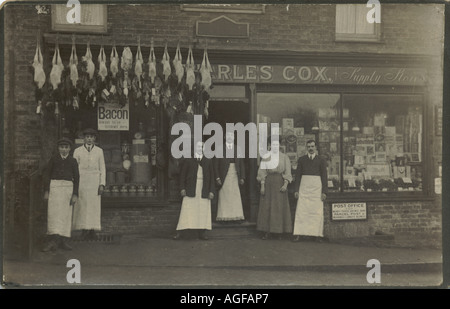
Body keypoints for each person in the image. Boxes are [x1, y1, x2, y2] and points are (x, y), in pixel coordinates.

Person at [42, 137, 79, 252]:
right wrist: (47, 191)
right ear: (58, 148)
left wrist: (75, 194)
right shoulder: (53, 159)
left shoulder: (73, 161)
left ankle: (63, 241)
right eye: (62, 147)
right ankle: (52, 240)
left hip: (67, 189)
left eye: (66, 147)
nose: (64, 149)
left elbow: (77, 178)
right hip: (55, 188)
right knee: (53, 214)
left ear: (69, 149)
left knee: (65, 214)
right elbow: (47, 175)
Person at [173, 141, 216, 240]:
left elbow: (212, 177)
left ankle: (202, 233)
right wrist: (182, 188)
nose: (200, 149)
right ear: (195, 148)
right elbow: (182, 176)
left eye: (202, 147)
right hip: (191, 188)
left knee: (203, 211)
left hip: (203, 188)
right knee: (187, 210)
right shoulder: (188, 160)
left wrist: (211, 191)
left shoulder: (208, 161)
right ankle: (181, 232)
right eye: (198, 147)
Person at [72, 128, 106, 241]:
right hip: (81, 181)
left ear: (94, 138)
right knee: (81, 205)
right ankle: (83, 230)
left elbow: (103, 168)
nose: (89, 139)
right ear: (84, 138)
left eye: (92, 137)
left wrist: (102, 184)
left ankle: (92, 230)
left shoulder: (99, 151)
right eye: (87, 137)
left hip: (94, 182)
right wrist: (74, 183)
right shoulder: (77, 151)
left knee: (93, 206)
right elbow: (74, 168)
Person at [256, 137, 293, 240]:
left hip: (279, 183)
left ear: (280, 145)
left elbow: (287, 173)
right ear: (269, 145)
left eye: (277, 144)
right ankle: (267, 231)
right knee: (267, 207)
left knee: (278, 207)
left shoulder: (284, 157)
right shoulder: (266, 157)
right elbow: (262, 172)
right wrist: (262, 185)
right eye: (272, 144)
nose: (275, 146)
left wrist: (285, 185)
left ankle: (279, 232)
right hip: (268, 183)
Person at [293, 140, 328, 242]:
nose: (310, 148)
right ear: (306, 148)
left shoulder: (321, 160)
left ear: (316, 147)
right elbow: (298, 176)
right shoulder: (302, 160)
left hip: (317, 188)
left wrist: (324, 192)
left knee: (316, 211)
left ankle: (316, 234)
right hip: (304, 188)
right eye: (308, 146)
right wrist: (296, 190)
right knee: (302, 211)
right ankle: (299, 233)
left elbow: (324, 176)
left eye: (312, 146)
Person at [214, 130, 245, 223]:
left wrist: (242, 177)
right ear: (224, 137)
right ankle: (224, 217)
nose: (230, 137)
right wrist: (217, 177)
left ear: (234, 137)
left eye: (232, 135)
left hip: (235, 174)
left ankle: (236, 217)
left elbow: (241, 163)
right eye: (228, 135)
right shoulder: (220, 148)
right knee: (224, 196)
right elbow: (215, 164)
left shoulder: (237, 148)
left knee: (235, 196)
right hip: (224, 175)